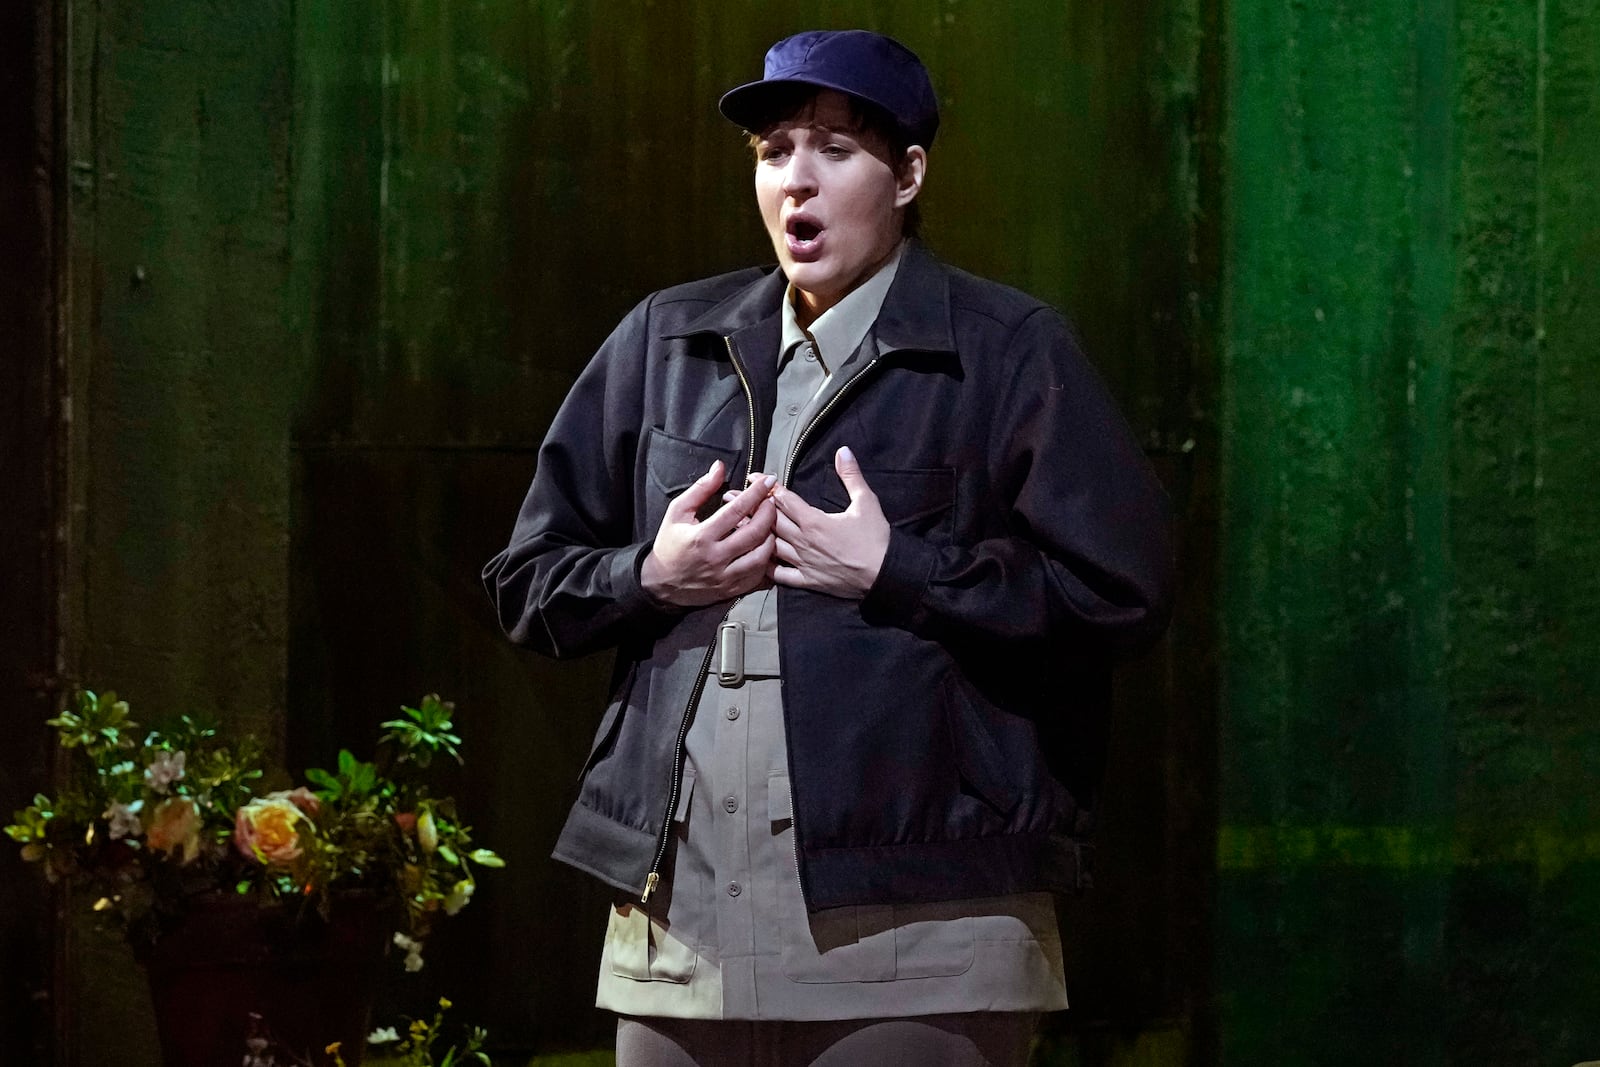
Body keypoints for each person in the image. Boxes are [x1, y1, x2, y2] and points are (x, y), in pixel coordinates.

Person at [484, 29, 1175, 1066]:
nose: (795, 181)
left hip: (921, 927)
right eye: (773, 151)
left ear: (906, 174)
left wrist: (898, 568)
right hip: (681, 940)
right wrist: (650, 574)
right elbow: (525, 581)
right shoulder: (667, 341)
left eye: (835, 149)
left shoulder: (1004, 349)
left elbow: (1121, 591)